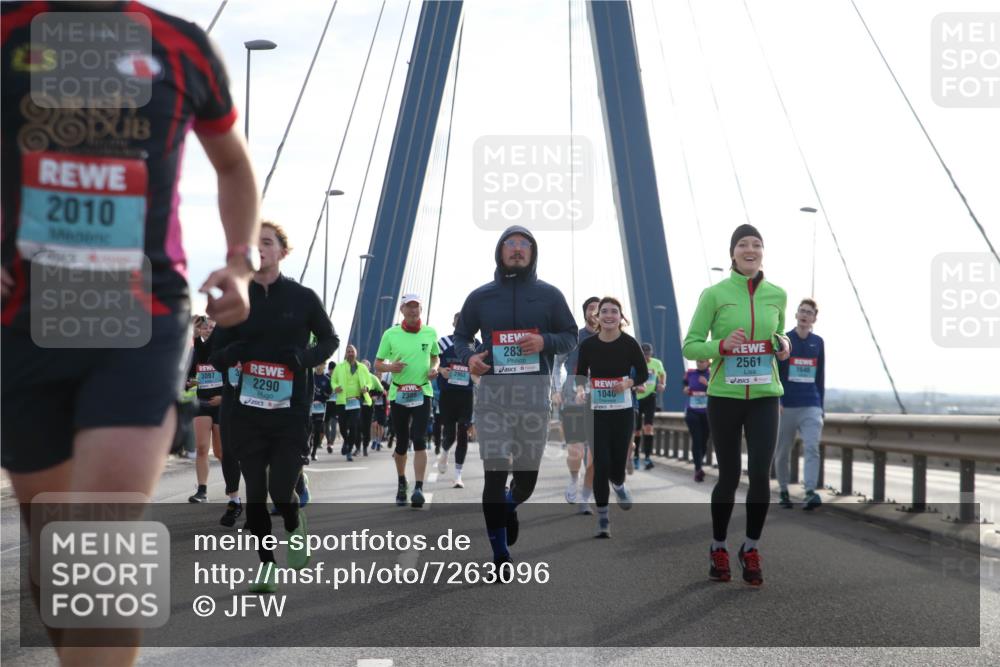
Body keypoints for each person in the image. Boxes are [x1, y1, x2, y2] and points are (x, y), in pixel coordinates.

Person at [1, 3, 259, 664]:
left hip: (140, 315)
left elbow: (232, 163)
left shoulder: (181, 45)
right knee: (53, 545)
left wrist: (239, 260)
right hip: (23, 320)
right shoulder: (10, 31)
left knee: (98, 539)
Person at [210, 222, 338, 592]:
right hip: (245, 411)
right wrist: (233, 353)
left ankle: (295, 524)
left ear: (283, 251)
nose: (259, 248)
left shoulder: (303, 298)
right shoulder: (237, 298)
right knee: (255, 495)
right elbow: (216, 354)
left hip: (290, 411)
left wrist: (305, 357)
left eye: (267, 242)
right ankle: (266, 565)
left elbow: (330, 339)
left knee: (281, 491)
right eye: (254, 243)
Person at [453, 226, 577, 571]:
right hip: (493, 396)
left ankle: (510, 505)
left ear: (533, 254)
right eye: (511, 244)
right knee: (494, 473)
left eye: (525, 245)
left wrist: (544, 343)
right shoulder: (480, 297)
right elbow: (461, 336)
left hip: (533, 397)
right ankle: (499, 554)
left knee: (526, 480)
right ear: (500, 251)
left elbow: (570, 336)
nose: (518, 249)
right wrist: (469, 358)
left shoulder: (550, 296)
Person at [682, 224, 790, 586]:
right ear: (732, 253)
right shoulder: (714, 294)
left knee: (760, 474)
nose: (750, 249)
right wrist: (722, 345)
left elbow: (782, 336)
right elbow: (691, 346)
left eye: (756, 244)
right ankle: (718, 547)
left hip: (764, 395)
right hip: (725, 396)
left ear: (763, 252)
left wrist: (782, 344)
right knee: (728, 476)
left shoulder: (778, 294)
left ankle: (751, 547)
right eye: (743, 244)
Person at [575, 297, 648, 537]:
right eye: (604, 311)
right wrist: (580, 390)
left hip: (623, 412)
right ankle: (604, 519)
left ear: (620, 317)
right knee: (600, 464)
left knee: (617, 466)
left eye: (613, 311)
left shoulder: (629, 344)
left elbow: (643, 374)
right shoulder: (588, 346)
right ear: (597, 317)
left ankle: (619, 484)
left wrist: (629, 381)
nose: (608, 315)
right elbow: (580, 375)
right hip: (597, 413)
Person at [375, 294, 440, 508]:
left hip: (422, 391)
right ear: (402, 310)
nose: (413, 311)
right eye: (409, 307)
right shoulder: (390, 334)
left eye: (416, 307)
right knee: (402, 441)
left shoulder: (430, 332)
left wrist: (434, 368)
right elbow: (377, 364)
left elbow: (435, 356)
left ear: (421, 310)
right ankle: (402, 481)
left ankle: (419, 487)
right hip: (399, 393)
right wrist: (390, 367)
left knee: (419, 437)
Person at [776, 298, 826, 510]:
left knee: (812, 447)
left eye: (809, 312)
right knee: (783, 451)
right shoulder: (785, 339)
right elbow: (776, 372)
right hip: (786, 405)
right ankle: (784, 491)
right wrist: (776, 401)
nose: (805, 315)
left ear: (814, 318)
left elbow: (820, 377)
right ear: (796, 315)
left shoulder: (818, 342)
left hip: (810, 404)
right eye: (802, 311)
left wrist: (821, 407)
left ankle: (810, 492)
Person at [554, 296, 599, 513]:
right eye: (591, 308)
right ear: (585, 314)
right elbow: (556, 363)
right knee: (576, 450)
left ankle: (586, 495)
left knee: (594, 452)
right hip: (572, 398)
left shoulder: (613, 339)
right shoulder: (575, 338)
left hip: (602, 400)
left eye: (600, 308)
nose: (596, 311)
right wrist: (554, 390)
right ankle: (574, 480)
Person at [436, 312, 480, 488]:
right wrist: (441, 370)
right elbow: (430, 362)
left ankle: (458, 475)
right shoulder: (443, 342)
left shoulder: (477, 345)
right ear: (453, 324)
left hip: (466, 394)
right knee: (450, 434)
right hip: (447, 393)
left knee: (463, 432)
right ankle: (445, 451)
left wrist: (478, 376)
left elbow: (485, 365)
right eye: (458, 322)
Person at [187, 316, 223, 503]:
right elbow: (189, 376)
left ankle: (232, 484)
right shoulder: (196, 350)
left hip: (220, 403)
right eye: (205, 327)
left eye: (211, 327)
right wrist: (190, 382)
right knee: (201, 448)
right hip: (202, 402)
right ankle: (202, 490)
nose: (207, 330)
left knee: (220, 452)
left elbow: (235, 377)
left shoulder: (224, 349)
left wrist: (224, 397)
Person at [330, 344, 372, 462]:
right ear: (345, 353)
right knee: (343, 426)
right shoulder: (339, 367)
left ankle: (349, 450)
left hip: (355, 401)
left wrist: (367, 388)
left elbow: (369, 382)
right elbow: (333, 381)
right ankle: (347, 441)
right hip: (342, 401)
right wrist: (335, 387)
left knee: (354, 426)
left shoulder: (362, 368)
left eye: (352, 351)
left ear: (356, 353)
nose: (350, 353)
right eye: (348, 351)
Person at [632, 342, 666, 471]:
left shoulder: (656, 363)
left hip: (650, 397)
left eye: (647, 354)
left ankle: (647, 457)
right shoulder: (634, 364)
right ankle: (635, 457)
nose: (645, 357)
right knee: (637, 430)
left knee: (648, 427)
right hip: (637, 398)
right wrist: (636, 387)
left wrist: (663, 384)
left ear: (651, 354)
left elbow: (662, 374)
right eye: (643, 354)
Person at [683, 359, 712, 482]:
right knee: (697, 439)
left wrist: (708, 385)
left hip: (707, 413)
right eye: (698, 361)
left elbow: (718, 391)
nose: (700, 363)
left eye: (702, 361)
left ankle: (699, 462)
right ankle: (698, 469)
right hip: (692, 411)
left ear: (708, 363)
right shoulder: (690, 373)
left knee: (704, 441)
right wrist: (685, 389)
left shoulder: (712, 374)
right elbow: (684, 386)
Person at [310, 364, 333, 461]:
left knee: (317, 430)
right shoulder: (310, 377)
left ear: (324, 366)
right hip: (310, 408)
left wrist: (324, 395)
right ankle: (308, 446)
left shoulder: (327, 380)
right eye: (317, 364)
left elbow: (329, 394)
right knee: (309, 429)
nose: (318, 366)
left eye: (321, 364)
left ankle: (314, 452)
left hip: (320, 409)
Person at [323, 361, 338, 453]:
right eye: (332, 370)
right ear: (329, 369)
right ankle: (328, 441)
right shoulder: (325, 378)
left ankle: (331, 444)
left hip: (335, 403)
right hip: (326, 403)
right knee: (326, 425)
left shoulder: (338, 379)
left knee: (334, 424)